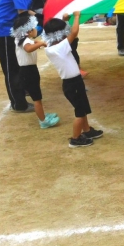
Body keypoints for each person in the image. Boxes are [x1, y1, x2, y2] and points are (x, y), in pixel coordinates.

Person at [43, 11, 103, 147]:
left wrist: (64, 21)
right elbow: (74, 33)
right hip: (72, 84)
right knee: (80, 112)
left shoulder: (54, 46)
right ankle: (75, 139)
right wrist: (76, 17)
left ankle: (87, 130)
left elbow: (68, 34)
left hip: (74, 82)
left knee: (83, 108)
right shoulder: (59, 47)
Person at [10, 13, 59, 129]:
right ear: (28, 31)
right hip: (29, 72)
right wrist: (41, 43)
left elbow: (30, 43)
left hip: (28, 70)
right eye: (34, 28)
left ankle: (42, 115)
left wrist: (37, 43)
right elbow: (28, 48)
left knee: (37, 96)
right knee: (37, 98)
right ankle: (43, 121)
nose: (36, 29)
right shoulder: (25, 41)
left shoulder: (21, 39)